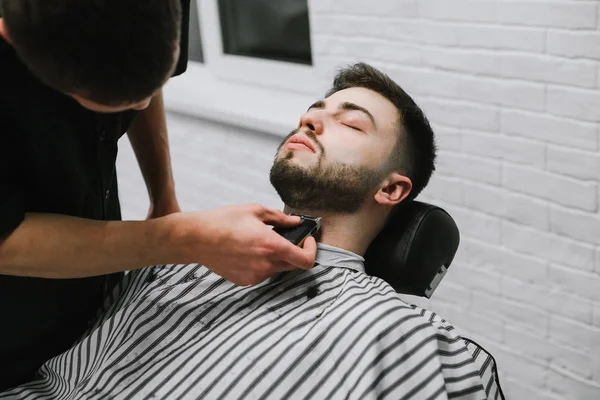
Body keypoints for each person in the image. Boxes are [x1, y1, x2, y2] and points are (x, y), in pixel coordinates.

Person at [0, 63, 502, 399]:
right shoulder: (185, 261)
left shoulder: (400, 333)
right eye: (314, 111)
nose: (310, 120)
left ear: (393, 190)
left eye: (350, 124)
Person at [0, 0, 316, 392]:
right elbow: (6, 241)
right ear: (11, 38)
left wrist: (163, 198)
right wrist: (182, 238)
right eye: (116, 104)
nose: (144, 106)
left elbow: (142, 78)